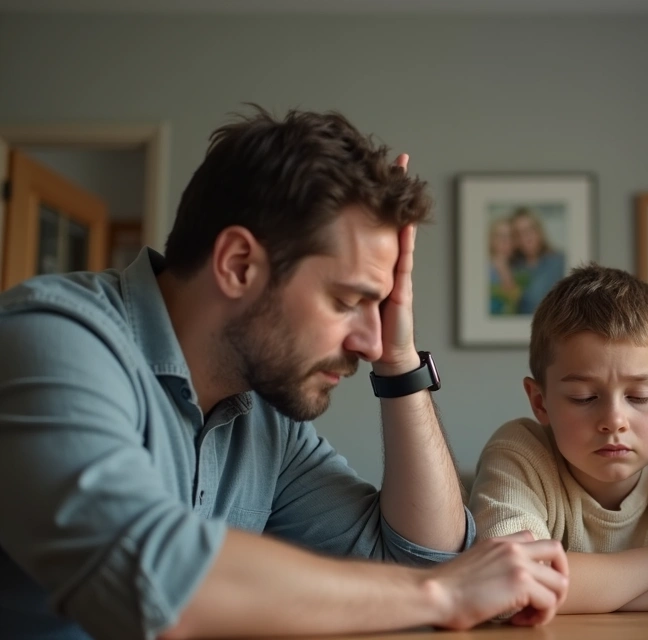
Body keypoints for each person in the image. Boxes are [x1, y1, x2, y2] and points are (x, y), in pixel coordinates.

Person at [0, 107, 568, 639]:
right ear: (238, 265)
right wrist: (441, 593)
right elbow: (151, 579)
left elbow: (423, 556)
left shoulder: (263, 415)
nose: (370, 343)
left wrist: (401, 365)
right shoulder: (49, 339)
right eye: (348, 300)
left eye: (381, 306)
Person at [469, 265, 648, 613]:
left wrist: (602, 597)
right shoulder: (519, 453)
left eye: (640, 396)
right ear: (540, 402)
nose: (614, 420)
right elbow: (513, 585)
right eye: (584, 397)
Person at [509, 207, 565, 314]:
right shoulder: (514, 267)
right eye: (518, 233)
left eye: (529, 230)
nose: (525, 237)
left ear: (539, 231)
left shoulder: (559, 261)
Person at [488, 218, 522, 315]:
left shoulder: (518, 267)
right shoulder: (486, 267)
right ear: (491, 240)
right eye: (500, 236)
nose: (505, 241)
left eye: (510, 236)